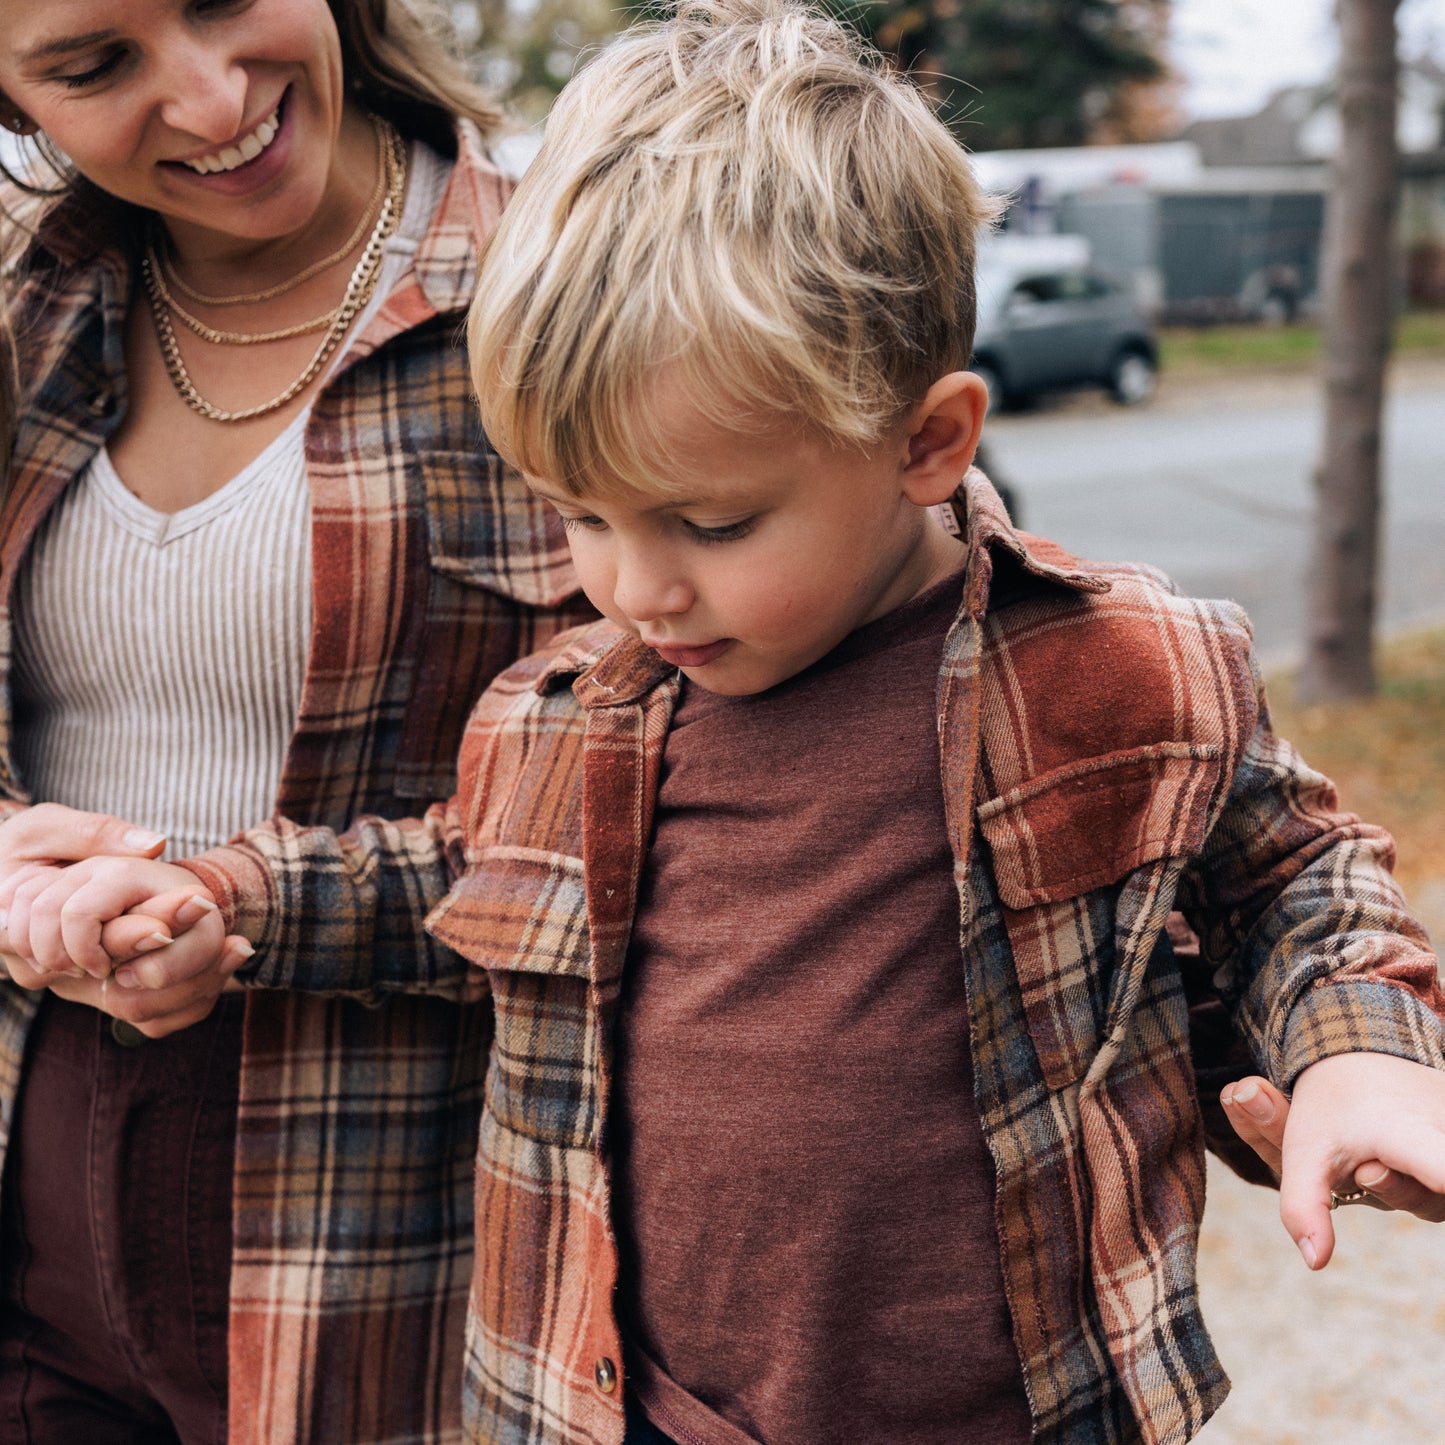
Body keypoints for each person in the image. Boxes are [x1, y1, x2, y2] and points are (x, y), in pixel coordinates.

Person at [420, 4, 1445, 1442]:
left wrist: (1358, 1051)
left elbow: (1297, 875)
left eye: (709, 520)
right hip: (629, 1412)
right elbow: (424, 870)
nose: (633, 584)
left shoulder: (1118, 667)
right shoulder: (560, 718)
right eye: (581, 511)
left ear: (926, 439)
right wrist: (203, 891)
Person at [0, 3, 590, 1441]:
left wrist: (243, 898)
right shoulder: (21, 310)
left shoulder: (580, 288)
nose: (208, 102)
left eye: (218, 0)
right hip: (29, 1224)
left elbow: (737, 779)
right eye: (93, 68)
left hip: (396, 1246)